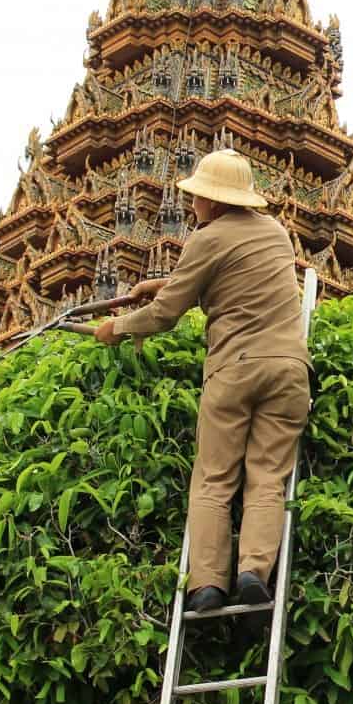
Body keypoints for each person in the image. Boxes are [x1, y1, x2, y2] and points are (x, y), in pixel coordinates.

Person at [96, 150, 310, 614]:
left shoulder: (206, 238)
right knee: (268, 478)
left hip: (234, 369)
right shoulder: (276, 235)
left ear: (213, 202)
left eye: (197, 198)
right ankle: (254, 571)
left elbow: (165, 315)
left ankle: (208, 584)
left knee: (214, 479)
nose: (193, 205)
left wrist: (116, 329)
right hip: (290, 370)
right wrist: (167, 284)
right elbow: (237, 285)